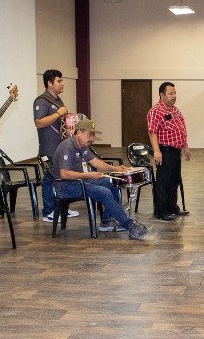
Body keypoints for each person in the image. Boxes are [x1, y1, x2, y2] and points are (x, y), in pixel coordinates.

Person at [52, 119, 148, 239]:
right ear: (79, 132)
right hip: (66, 186)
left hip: (80, 181)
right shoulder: (67, 147)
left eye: (93, 135)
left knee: (113, 183)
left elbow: (96, 162)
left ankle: (107, 221)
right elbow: (64, 174)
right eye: (89, 134)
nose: (91, 138)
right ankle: (129, 225)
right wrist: (89, 175)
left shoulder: (83, 146)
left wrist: (115, 169)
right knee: (104, 192)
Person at [33, 69, 78, 223]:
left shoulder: (58, 101)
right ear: (49, 83)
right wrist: (58, 113)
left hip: (60, 147)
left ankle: (62, 207)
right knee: (49, 179)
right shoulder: (41, 101)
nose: (62, 84)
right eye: (59, 81)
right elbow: (39, 123)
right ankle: (49, 211)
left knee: (61, 178)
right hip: (49, 148)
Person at [147, 82, 191, 221]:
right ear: (162, 95)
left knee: (174, 181)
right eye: (171, 93)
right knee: (164, 182)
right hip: (165, 151)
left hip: (176, 151)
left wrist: (185, 147)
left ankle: (172, 207)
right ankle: (162, 211)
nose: (174, 96)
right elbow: (152, 132)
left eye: (175, 93)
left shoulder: (175, 110)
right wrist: (156, 151)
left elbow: (181, 129)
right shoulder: (156, 111)